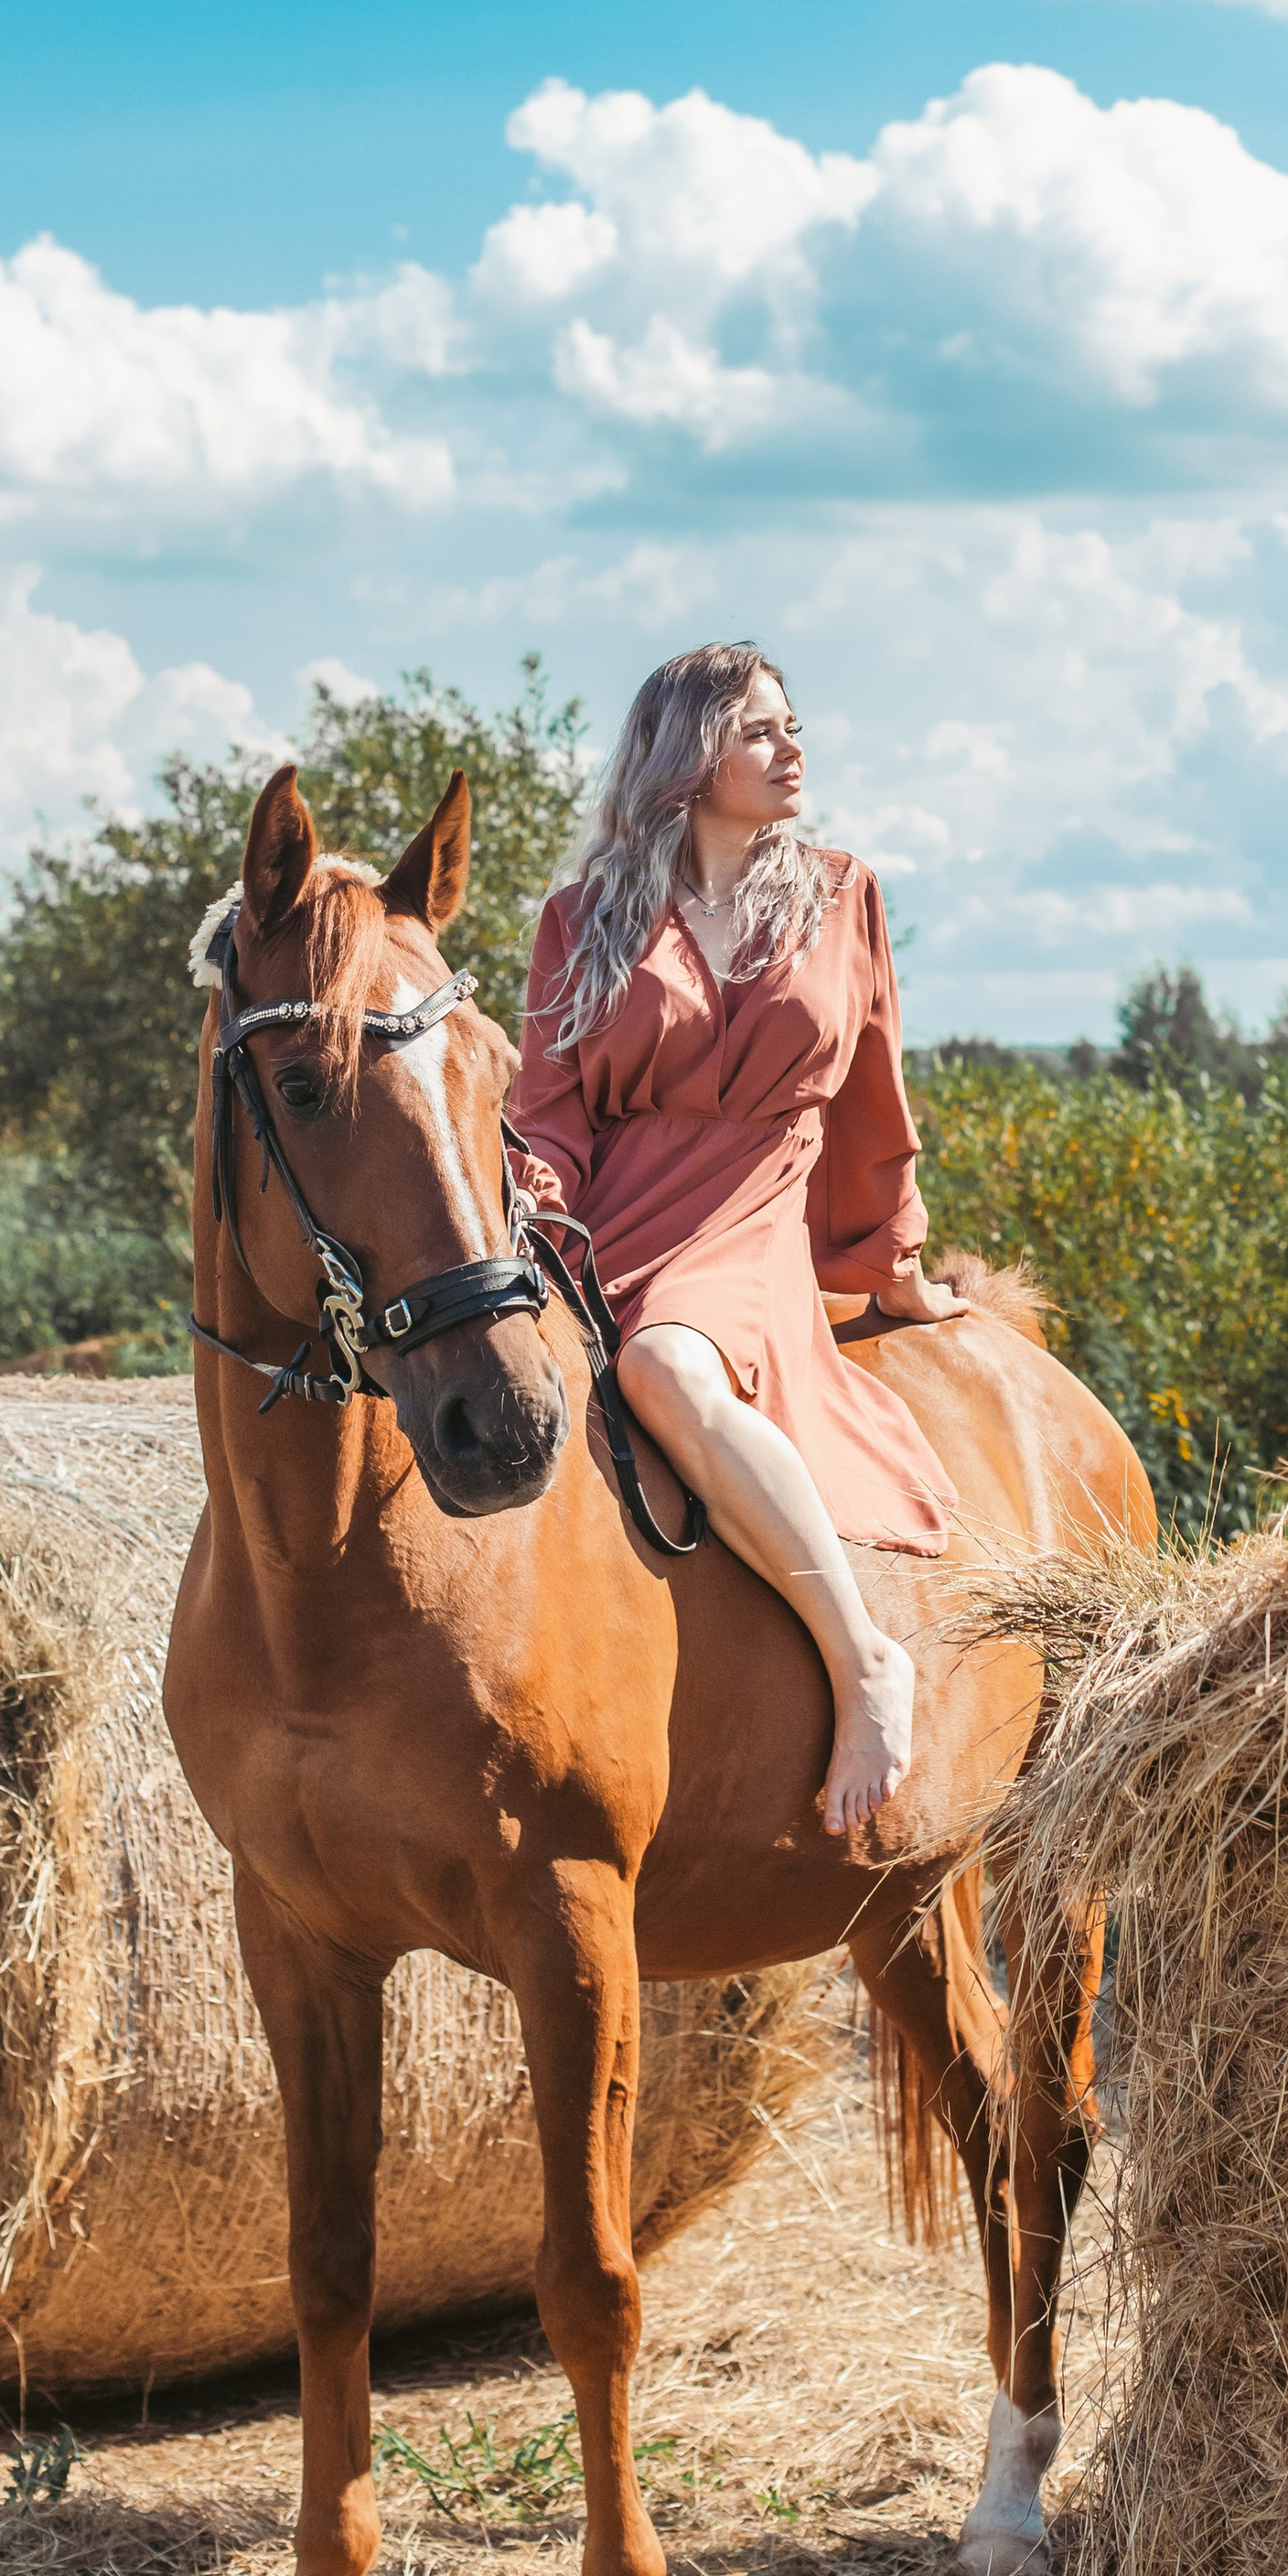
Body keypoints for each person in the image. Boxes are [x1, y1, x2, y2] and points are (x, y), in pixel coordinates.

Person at [510, 641, 967, 1835]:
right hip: (609, 1221)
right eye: (760, 730)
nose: (792, 748)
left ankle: (864, 1660)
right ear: (688, 754)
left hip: (756, 1211)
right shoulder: (581, 918)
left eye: (792, 725)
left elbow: (875, 1092)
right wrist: (533, 1240)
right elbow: (546, 1115)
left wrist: (894, 1265)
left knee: (664, 1367)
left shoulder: (841, 893)